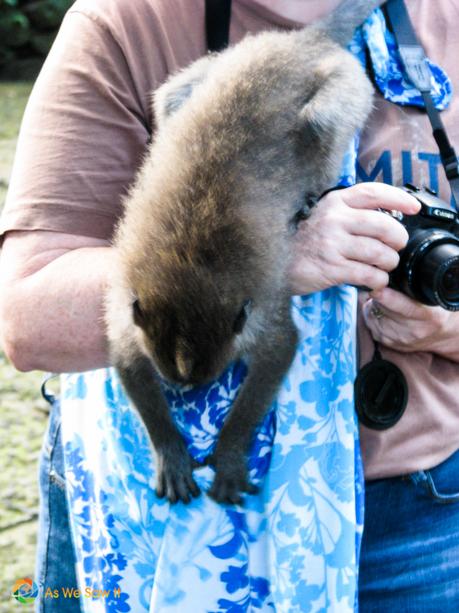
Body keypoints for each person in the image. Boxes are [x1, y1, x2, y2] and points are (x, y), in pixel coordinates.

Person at [0, 0, 458, 611]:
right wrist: (271, 261)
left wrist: (448, 326)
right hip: (151, 517)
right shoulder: (129, 20)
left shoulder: (445, 19)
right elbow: (26, 318)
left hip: (420, 521)